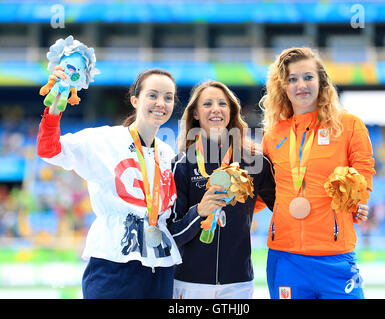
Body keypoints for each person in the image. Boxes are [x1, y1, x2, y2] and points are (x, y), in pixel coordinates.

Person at [36, 67, 182, 298]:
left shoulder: (167, 154)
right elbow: (49, 149)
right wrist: (57, 102)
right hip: (113, 261)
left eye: (168, 97)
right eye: (152, 95)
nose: (161, 103)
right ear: (135, 100)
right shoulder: (104, 140)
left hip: (161, 266)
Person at [260, 47, 375, 299]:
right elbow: (264, 190)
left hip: (334, 256)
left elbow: (364, 171)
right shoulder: (273, 135)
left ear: (322, 81)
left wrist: (356, 200)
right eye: (292, 79)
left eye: (308, 77)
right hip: (285, 257)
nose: (301, 85)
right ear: (284, 87)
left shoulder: (349, 125)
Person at [167, 80, 275, 299]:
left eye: (222, 104)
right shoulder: (181, 165)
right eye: (207, 104)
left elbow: (283, 205)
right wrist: (199, 212)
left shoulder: (255, 162)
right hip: (189, 282)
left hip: (238, 283)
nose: (215, 108)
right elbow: (172, 233)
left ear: (231, 112)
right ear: (196, 114)